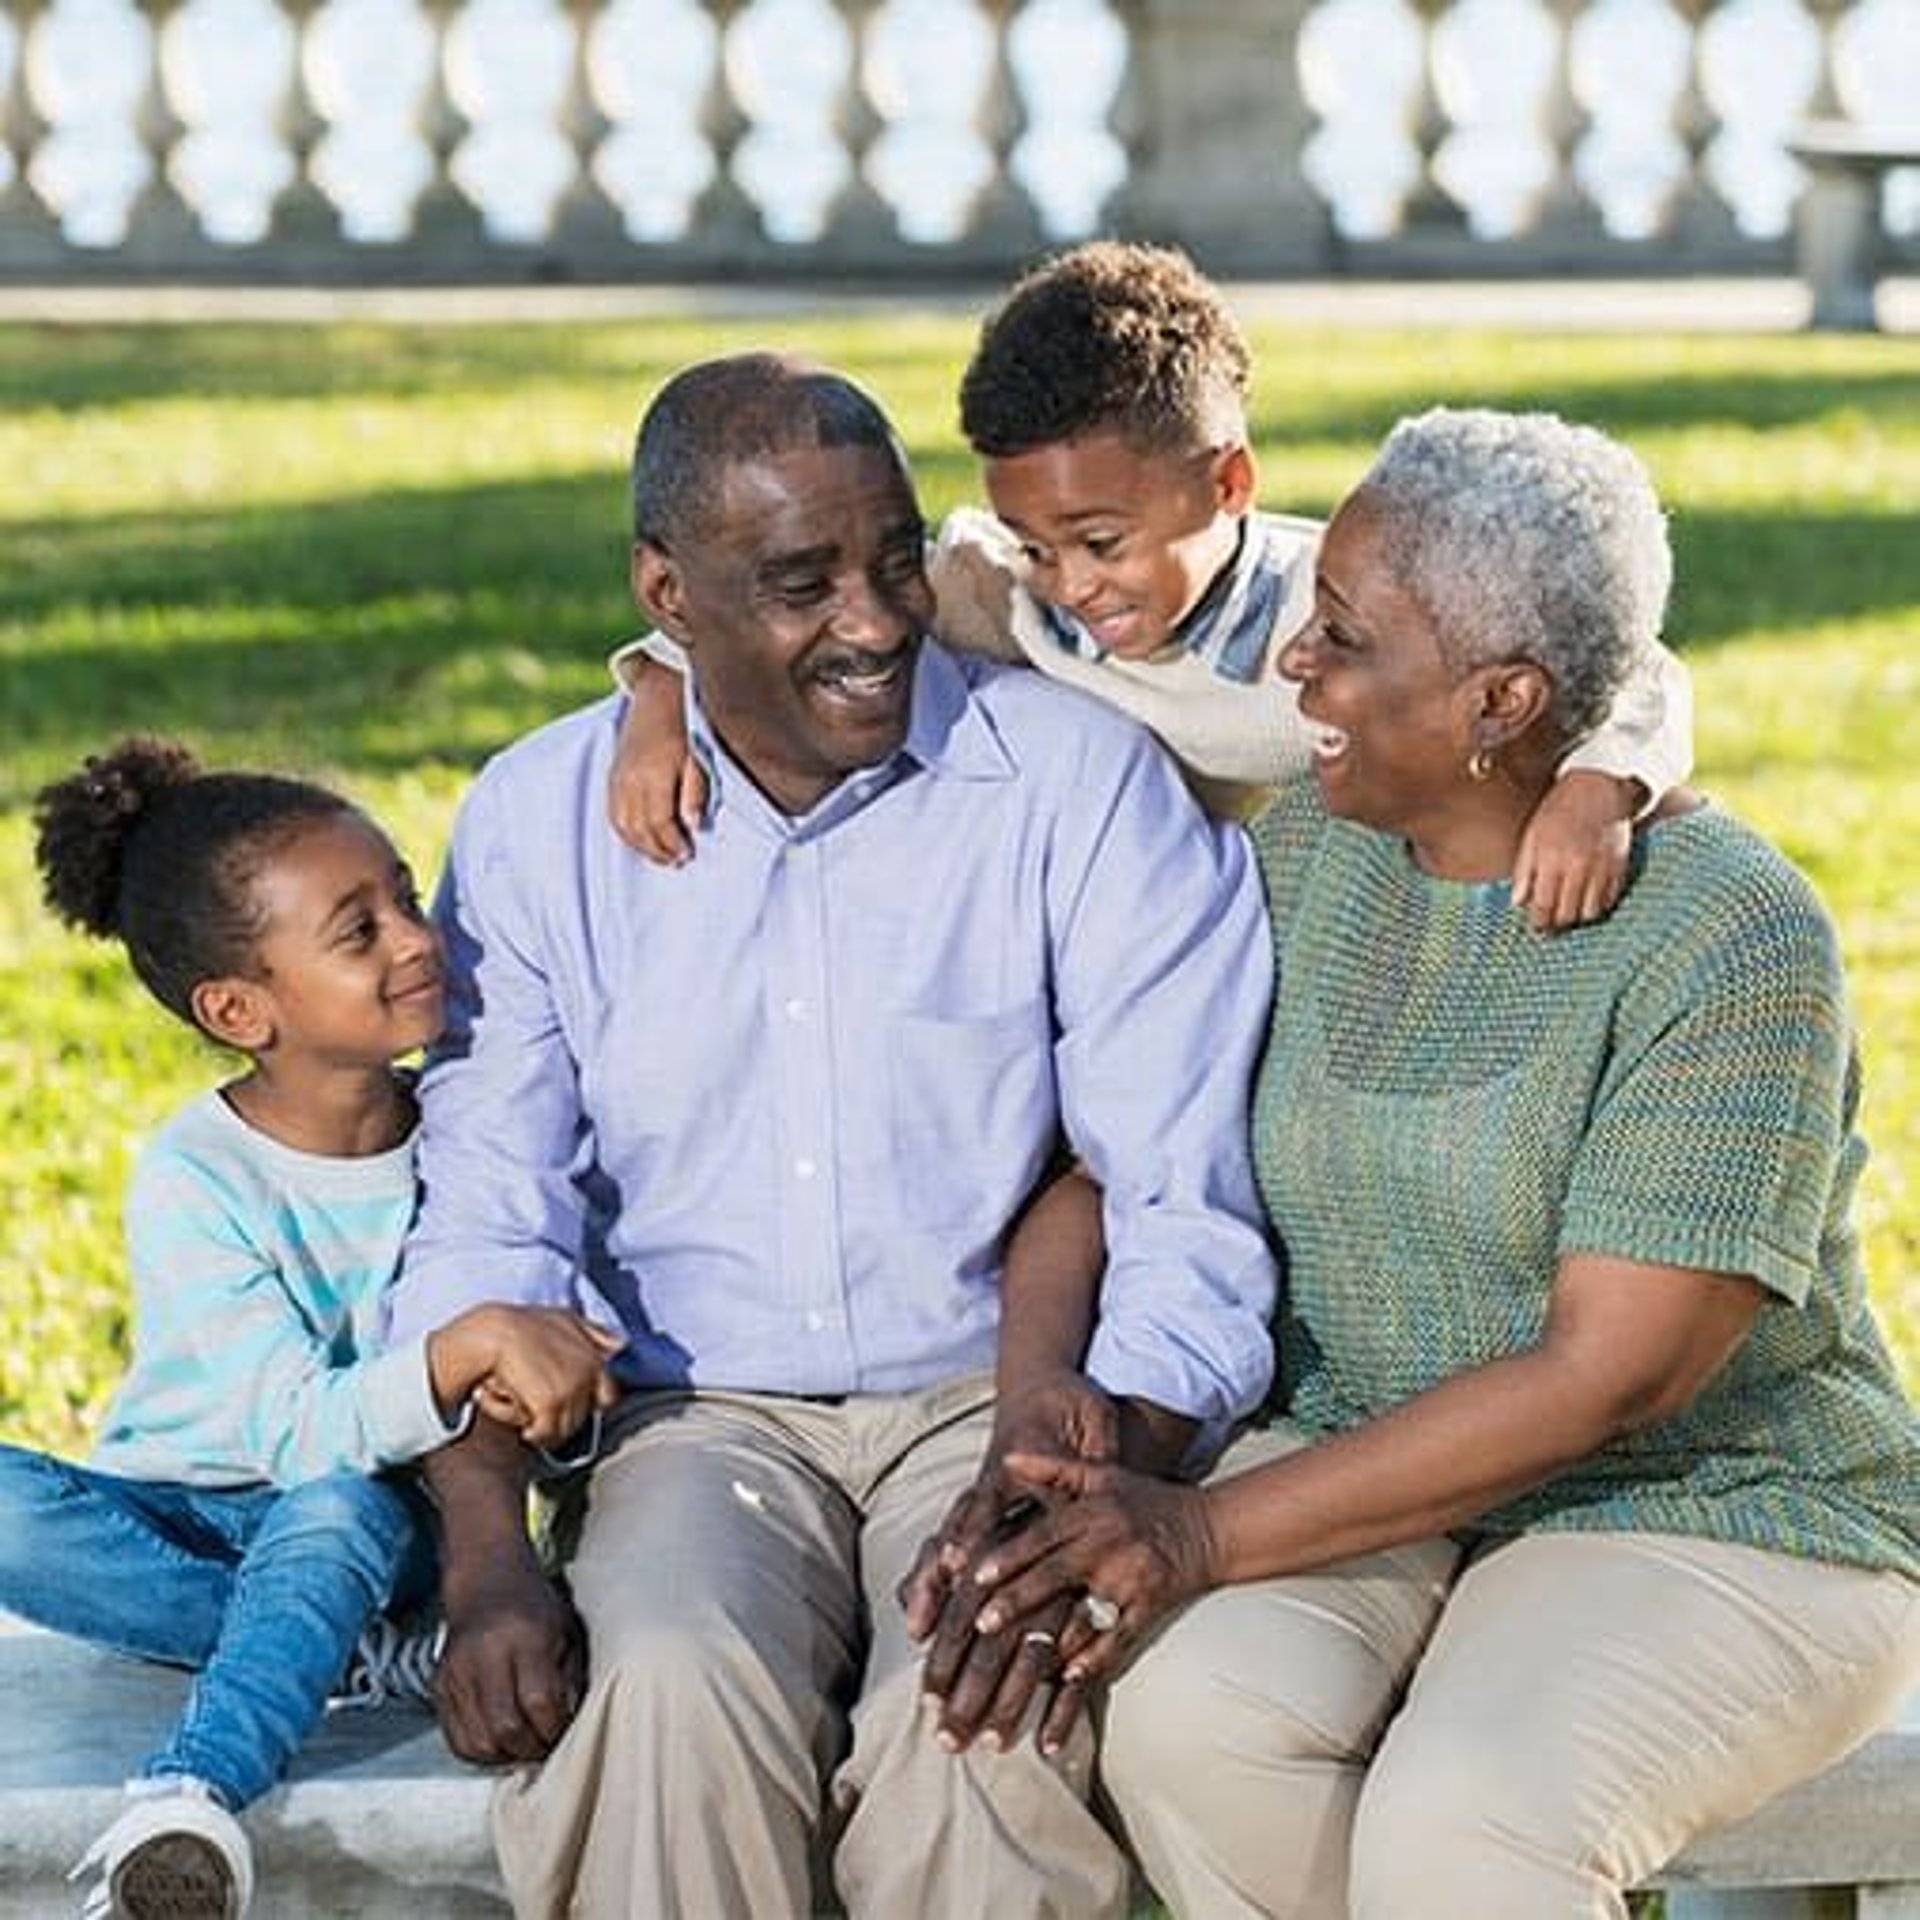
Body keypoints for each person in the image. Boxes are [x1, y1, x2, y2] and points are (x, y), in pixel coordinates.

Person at [933, 408, 1920, 1919]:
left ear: (1500, 700)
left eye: (1340, 637)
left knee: (1464, 1823)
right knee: (1193, 1728)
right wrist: (1069, 1415)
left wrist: (1195, 1529)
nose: (1293, 669)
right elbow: (1108, 1163)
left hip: (1714, 1503)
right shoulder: (1307, 861)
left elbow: (1613, 1379)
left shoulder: (1729, 938)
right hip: (1363, 1457)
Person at [382, 350, 1277, 1919]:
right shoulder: (537, 826)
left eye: (892, 561)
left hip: (995, 1398)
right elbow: (484, 1218)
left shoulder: (1074, 784)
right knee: (657, 1690)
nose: (870, 622)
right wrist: (486, 1558)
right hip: (693, 1415)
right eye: (801, 583)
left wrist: (1101, 1458)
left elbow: (1179, 1197)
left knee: (994, 1714)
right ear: (665, 591)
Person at [607, 242, 1692, 934]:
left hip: (1323, 919)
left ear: (1228, 484)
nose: (1073, 585)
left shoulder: (1346, 608)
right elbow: (797, 623)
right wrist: (661, 699)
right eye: (1040, 544)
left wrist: (1604, 789)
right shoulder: (1001, 590)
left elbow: (1629, 670)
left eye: (1102, 541)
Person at [0, 737, 621, 1920]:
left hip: (382, 1523)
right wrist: (454, 1350)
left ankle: (191, 1789)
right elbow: (288, 1429)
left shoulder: (472, 1137)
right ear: (241, 1008)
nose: (416, 937)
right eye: (360, 931)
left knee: (334, 1511)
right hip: (183, 1512)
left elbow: (494, 1394)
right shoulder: (197, 1177)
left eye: (405, 893)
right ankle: (345, 1655)